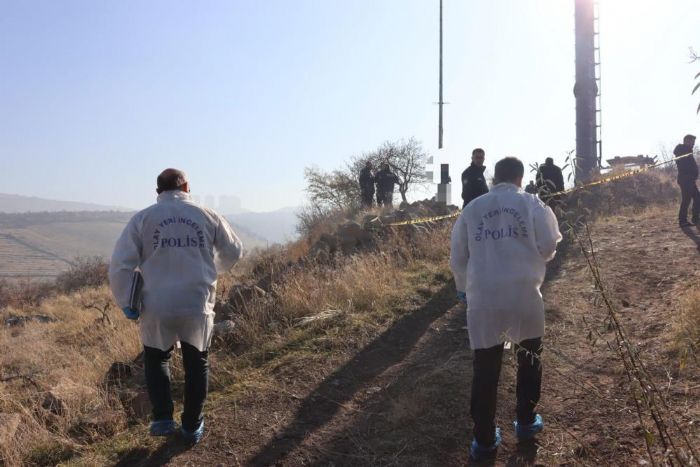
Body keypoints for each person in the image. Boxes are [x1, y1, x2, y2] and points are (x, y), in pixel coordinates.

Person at [109, 169, 243, 443]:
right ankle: (192, 425)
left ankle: (162, 418)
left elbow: (120, 264)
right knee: (197, 361)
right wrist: (212, 271)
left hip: (157, 302)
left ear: (157, 191)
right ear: (187, 186)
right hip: (197, 301)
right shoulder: (207, 214)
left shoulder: (143, 219)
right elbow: (234, 250)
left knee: (157, 357)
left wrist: (126, 301)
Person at [450, 157, 562, 461]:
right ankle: (526, 422)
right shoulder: (533, 204)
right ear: (519, 178)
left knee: (485, 368)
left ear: (493, 178)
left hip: (485, 300)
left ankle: (484, 440)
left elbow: (458, 256)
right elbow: (550, 245)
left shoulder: (472, 209)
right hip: (525, 294)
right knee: (529, 358)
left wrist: (463, 289)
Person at [674, 134, 699, 227]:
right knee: (689, 199)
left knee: (694, 199)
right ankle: (685, 220)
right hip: (685, 180)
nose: (693, 144)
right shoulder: (681, 150)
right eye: (692, 142)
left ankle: (693, 219)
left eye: (694, 143)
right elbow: (684, 165)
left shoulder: (688, 151)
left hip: (689, 180)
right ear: (686, 141)